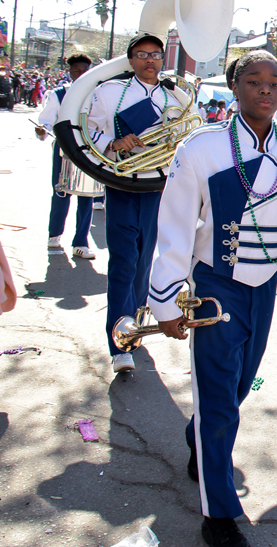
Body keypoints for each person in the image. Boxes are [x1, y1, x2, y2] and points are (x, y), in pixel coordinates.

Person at [148, 50, 277, 547]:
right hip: (215, 285)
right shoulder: (201, 148)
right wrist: (166, 299)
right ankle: (219, 515)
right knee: (218, 398)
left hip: (264, 288)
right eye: (254, 81)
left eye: (275, 82)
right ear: (235, 87)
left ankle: (198, 439)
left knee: (236, 389)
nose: (266, 90)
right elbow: (175, 228)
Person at [85, 32, 185, 374]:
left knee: (145, 261)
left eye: (156, 54)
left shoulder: (177, 96)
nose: (150, 60)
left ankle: (135, 328)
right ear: (131, 61)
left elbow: (188, 139)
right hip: (124, 183)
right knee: (124, 262)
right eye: (142, 54)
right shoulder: (109, 92)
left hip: (158, 186)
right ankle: (118, 342)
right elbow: (89, 132)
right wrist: (113, 143)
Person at [36, 53, 96, 259]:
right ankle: (55, 235)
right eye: (76, 71)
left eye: (84, 71)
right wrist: (42, 130)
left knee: (87, 197)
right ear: (70, 72)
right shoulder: (58, 94)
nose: (80, 75)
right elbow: (46, 121)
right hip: (63, 150)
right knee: (61, 191)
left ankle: (81, 242)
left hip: (89, 150)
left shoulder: (97, 94)